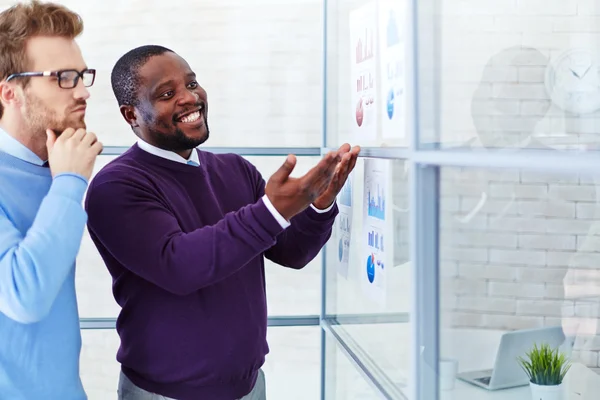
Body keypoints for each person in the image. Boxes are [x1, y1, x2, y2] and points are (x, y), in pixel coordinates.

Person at [84, 44, 359, 400]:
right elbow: (179, 265)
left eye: (192, 83)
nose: (189, 98)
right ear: (131, 115)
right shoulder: (116, 186)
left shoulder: (235, 169)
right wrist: (271, 211)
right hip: (163, 394)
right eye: (167, 94)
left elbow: (292, 252)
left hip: (249, 387)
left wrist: (319, 205)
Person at [0, 1, 103, 398]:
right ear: (10, 92)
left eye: (80, 75)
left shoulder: (56, 167)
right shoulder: (66, 176)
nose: (81, 92)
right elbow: (25, 295)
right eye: (62, 77)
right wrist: (70, 181)